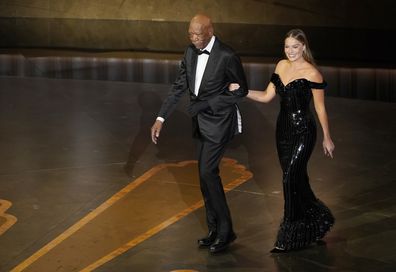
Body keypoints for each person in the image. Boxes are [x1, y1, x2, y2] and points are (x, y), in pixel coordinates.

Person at [229, 29, 335, 252]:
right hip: (283, 132)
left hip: (304, 131)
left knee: (289, 180)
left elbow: (320, 108)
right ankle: (318, 220)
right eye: (287, 47)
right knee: (297, 180)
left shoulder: (312, 73)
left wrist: (327, 136)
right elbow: (267, 97)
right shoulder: (281, 65)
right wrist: (242, 91)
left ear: (303, 47)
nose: (290, 51)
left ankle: (289, 237)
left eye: (295, 47)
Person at [150, 14, 248, 253]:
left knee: (207, 172)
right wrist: (160, 117)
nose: (194, 39)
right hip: (200, 124)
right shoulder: (190, 52)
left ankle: (227, 231)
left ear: (210, 31)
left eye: (198, 35)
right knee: (204, 177)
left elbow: (241, 90)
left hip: (218, 123)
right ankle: (214, 229)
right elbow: (179, 86)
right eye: (190, 34)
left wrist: (206, 104)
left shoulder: (227, 55)